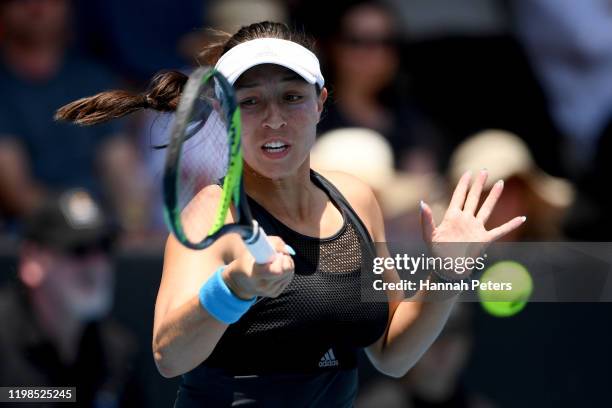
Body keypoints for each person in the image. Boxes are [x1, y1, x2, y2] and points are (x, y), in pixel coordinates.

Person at [54, 21, 526, 407]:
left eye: (292, 96)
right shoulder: (210, 215)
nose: (274, 119)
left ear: (320, 103)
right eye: (251, 101)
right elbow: (168, 355)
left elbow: (392, 354)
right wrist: (235, 288)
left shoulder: (356, 199)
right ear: (225, 113)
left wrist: (444, 273)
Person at [0, 0, 149, 234]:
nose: (37, 8)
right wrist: (83, 222)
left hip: (97, 234)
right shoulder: (5, 85)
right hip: (26, 239)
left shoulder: (93, 79)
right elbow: (17, 193)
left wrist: (133, 225)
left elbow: (119, 163)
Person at [0, 189, 145, 407]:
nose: (96, 266)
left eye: (104, 247)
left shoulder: (119, 353)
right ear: (32, 260)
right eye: (79, 250)